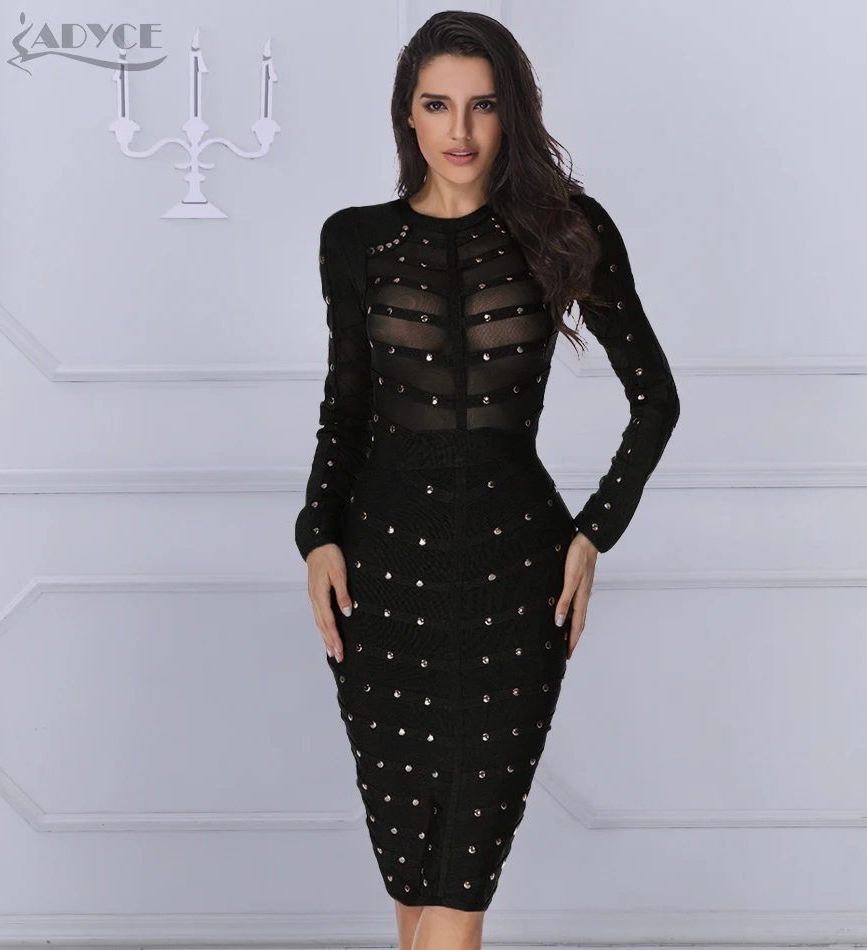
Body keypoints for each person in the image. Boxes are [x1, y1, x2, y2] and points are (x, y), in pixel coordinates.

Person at [295, 10, 680, 949]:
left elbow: (655, 399)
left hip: (517, 575)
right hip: (380, 580)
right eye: (438, 105)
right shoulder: (353, 240)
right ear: (408, 113)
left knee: (458, 901)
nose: (460, 131)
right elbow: (346, 410)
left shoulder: (568, 228)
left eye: (484, 105)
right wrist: (317, 537)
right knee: (413, 883)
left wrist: (593, 532)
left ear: (513, 113)